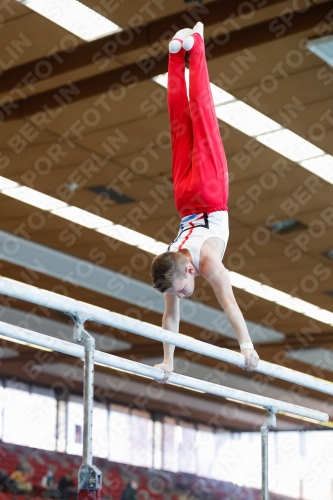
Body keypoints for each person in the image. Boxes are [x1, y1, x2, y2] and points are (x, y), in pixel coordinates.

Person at [150, 22, 259, 382]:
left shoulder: (207, 262)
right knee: (180, 122)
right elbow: (170, 318)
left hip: (210, 194)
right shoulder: (169, 260)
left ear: (190, 270)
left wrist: (246, 346)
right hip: (183, 197)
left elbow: (229, 303)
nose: (182, 295)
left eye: (180, 289)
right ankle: (174, 53)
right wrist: (168, 362)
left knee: (203, 114)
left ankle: (195, 46)